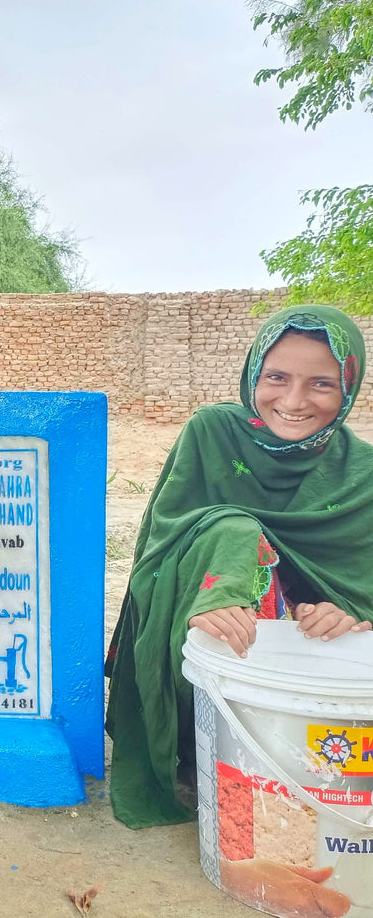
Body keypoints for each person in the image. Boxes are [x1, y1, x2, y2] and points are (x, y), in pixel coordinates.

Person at [105, 305, 373, 831]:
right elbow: (165, 540)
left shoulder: (360, 472)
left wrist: (345, 612)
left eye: (320, 383)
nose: (293, 401)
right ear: (253, 373)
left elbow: (359, 577)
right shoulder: (214, 432)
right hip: (200, 632)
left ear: (348, 388)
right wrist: (220, 586)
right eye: (276, 377)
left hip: (302, 674)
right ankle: (193, 739)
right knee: (231, 530)